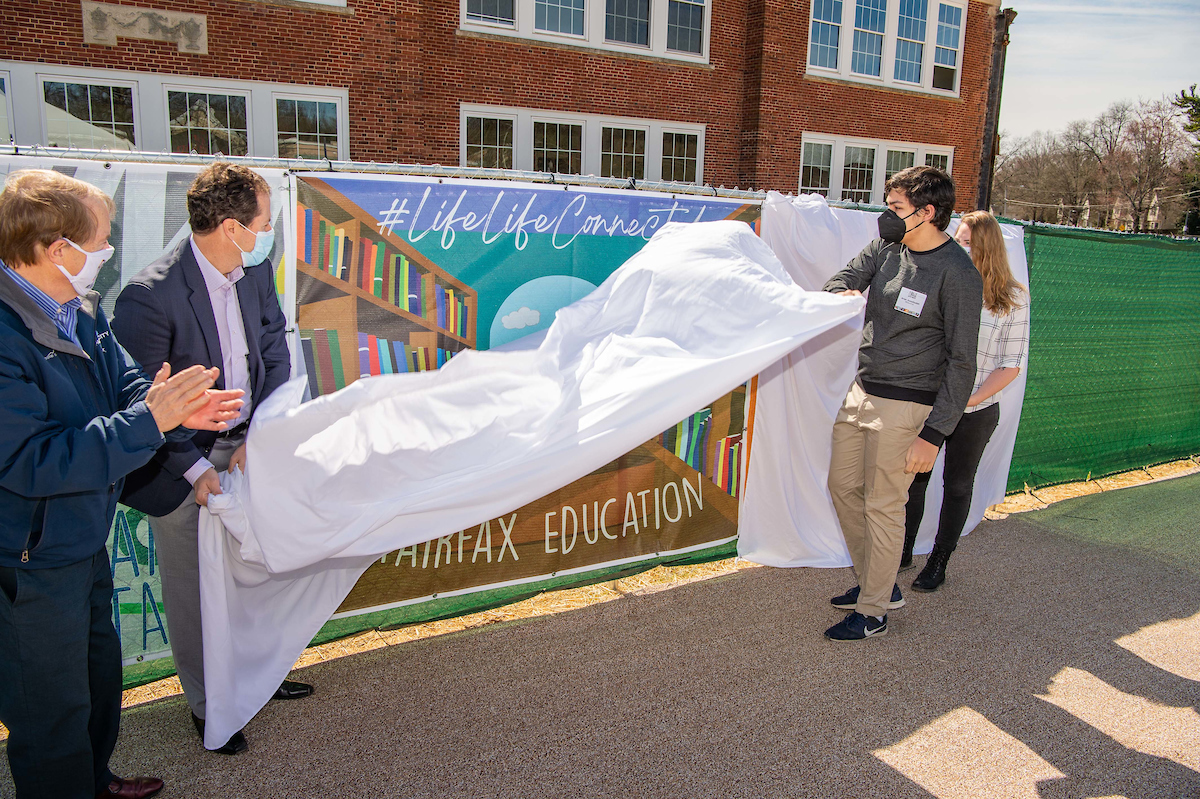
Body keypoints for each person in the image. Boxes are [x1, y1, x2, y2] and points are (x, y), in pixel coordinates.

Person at [0, 170, 243, 799]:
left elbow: (128, 385)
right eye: (101, 243)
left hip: (80, 539)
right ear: (58, 250)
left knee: (97, 678)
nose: (107, 256)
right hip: (28, 557)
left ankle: (94, 779)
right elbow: (34, 460)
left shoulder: (78, 309)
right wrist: (151, 420)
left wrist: (169, 409)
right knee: (47, 711)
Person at [112, 162, 312, 755]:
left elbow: (276, 355)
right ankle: (208, 704)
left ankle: (254, 677)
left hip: (250, 448)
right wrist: (199, 472)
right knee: (194, 590)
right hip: (180, 466)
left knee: (256, 570)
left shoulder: (253, 275)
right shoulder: (149, 297)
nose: (268, 232)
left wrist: (261, 435)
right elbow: (141, 401)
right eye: (264, 223)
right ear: (231, 227)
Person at [821, 165, 983, 641]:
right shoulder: (887, 248)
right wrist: (843, 292)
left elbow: (962, 362)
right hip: (862, 390)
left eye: (895, 208)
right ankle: (881, 583)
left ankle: (873, 611)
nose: (886, 217)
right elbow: (841, 280)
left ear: (927, 212)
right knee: (842, 488)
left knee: (884, 504)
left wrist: (935, 434)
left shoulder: (958, 273)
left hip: (908, 406)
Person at [901, 211, 1029, 591]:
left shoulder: (1012, 299)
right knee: (913, 481)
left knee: (957, 486)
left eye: (967, 241)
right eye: (956, 239)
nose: (958, 246)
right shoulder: (941, 282)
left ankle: (939, 561)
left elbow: (1011, 365)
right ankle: (902, 552)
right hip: (930, 404)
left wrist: (968, 398)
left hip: (975, 410)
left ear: (987, 247)